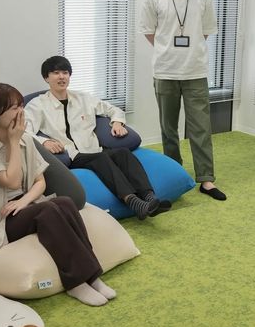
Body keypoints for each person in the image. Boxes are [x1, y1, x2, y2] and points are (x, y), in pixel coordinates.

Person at [0, 83, 117, 306]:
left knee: (65, 203)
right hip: (4, 214)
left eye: (21, 106)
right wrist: (13, 142)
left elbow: (40, 181)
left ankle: (92, 276)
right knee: (48, 211)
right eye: (13, 108)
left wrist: (25, 201)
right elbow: (12, 181)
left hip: (27, 203)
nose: (21, 113)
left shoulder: (26, 140)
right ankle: (75, 283)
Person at [25, 56, 170, 220]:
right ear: (46, 78)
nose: (61, 77)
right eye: (56, 73)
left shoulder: (83, 98)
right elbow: (24, 131)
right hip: (72, 155)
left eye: (65, 73)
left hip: (95, 148)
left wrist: (117, 123)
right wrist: (45, 141)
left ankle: (150, 197)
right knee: (101, 159)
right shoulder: (37, 105)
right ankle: (133, 202)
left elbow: (113, 110)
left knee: (123, 153)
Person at [138, 0, 226, 201]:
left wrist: (188, 51)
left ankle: (206, 179)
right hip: (165, 71)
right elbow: (149, 31)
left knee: (201, 127)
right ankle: (174, 175)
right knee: (168, 128)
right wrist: (169, 50)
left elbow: (206, 31)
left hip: (195, 71)